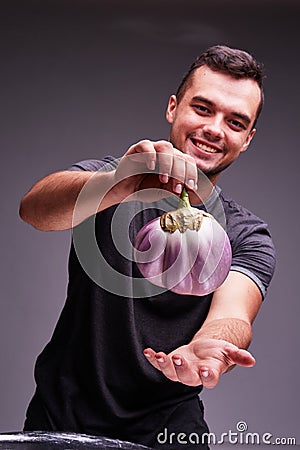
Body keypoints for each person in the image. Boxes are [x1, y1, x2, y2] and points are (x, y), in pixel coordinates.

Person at [19, 45, 276, 449]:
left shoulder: (246, 234)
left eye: (235, 121)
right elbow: (34, 210)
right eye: (203, 108)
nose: (214, 128)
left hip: (171, 434)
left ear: (247, 139)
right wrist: (114, 184)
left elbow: (234, 315)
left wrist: (212, 345)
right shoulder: (112, 179)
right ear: (173, 107)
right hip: (60, 422)